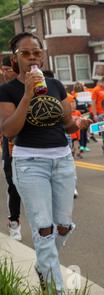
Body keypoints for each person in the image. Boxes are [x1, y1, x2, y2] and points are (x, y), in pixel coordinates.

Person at [0, 32, 90, 295]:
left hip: (61, 159)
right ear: (15, 58)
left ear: (42, 55)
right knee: (43, 226)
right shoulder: (7, 90)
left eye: (36, 53)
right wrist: (27, 95)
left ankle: (43, 264)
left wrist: (79, 122)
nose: (31, 58)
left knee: (62, 225)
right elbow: (8, 130)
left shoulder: (56, 84)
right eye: (25, 53)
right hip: (29, 162)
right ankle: (56, 291)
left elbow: (67, 122)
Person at [0, 54, 21, 240]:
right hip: (10, 144)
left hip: (32, 144)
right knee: (13, 184)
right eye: (3, 69)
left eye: (8, 69)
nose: (5, 73)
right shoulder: (3, 90)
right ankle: (14, 222)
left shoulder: (27, 88)